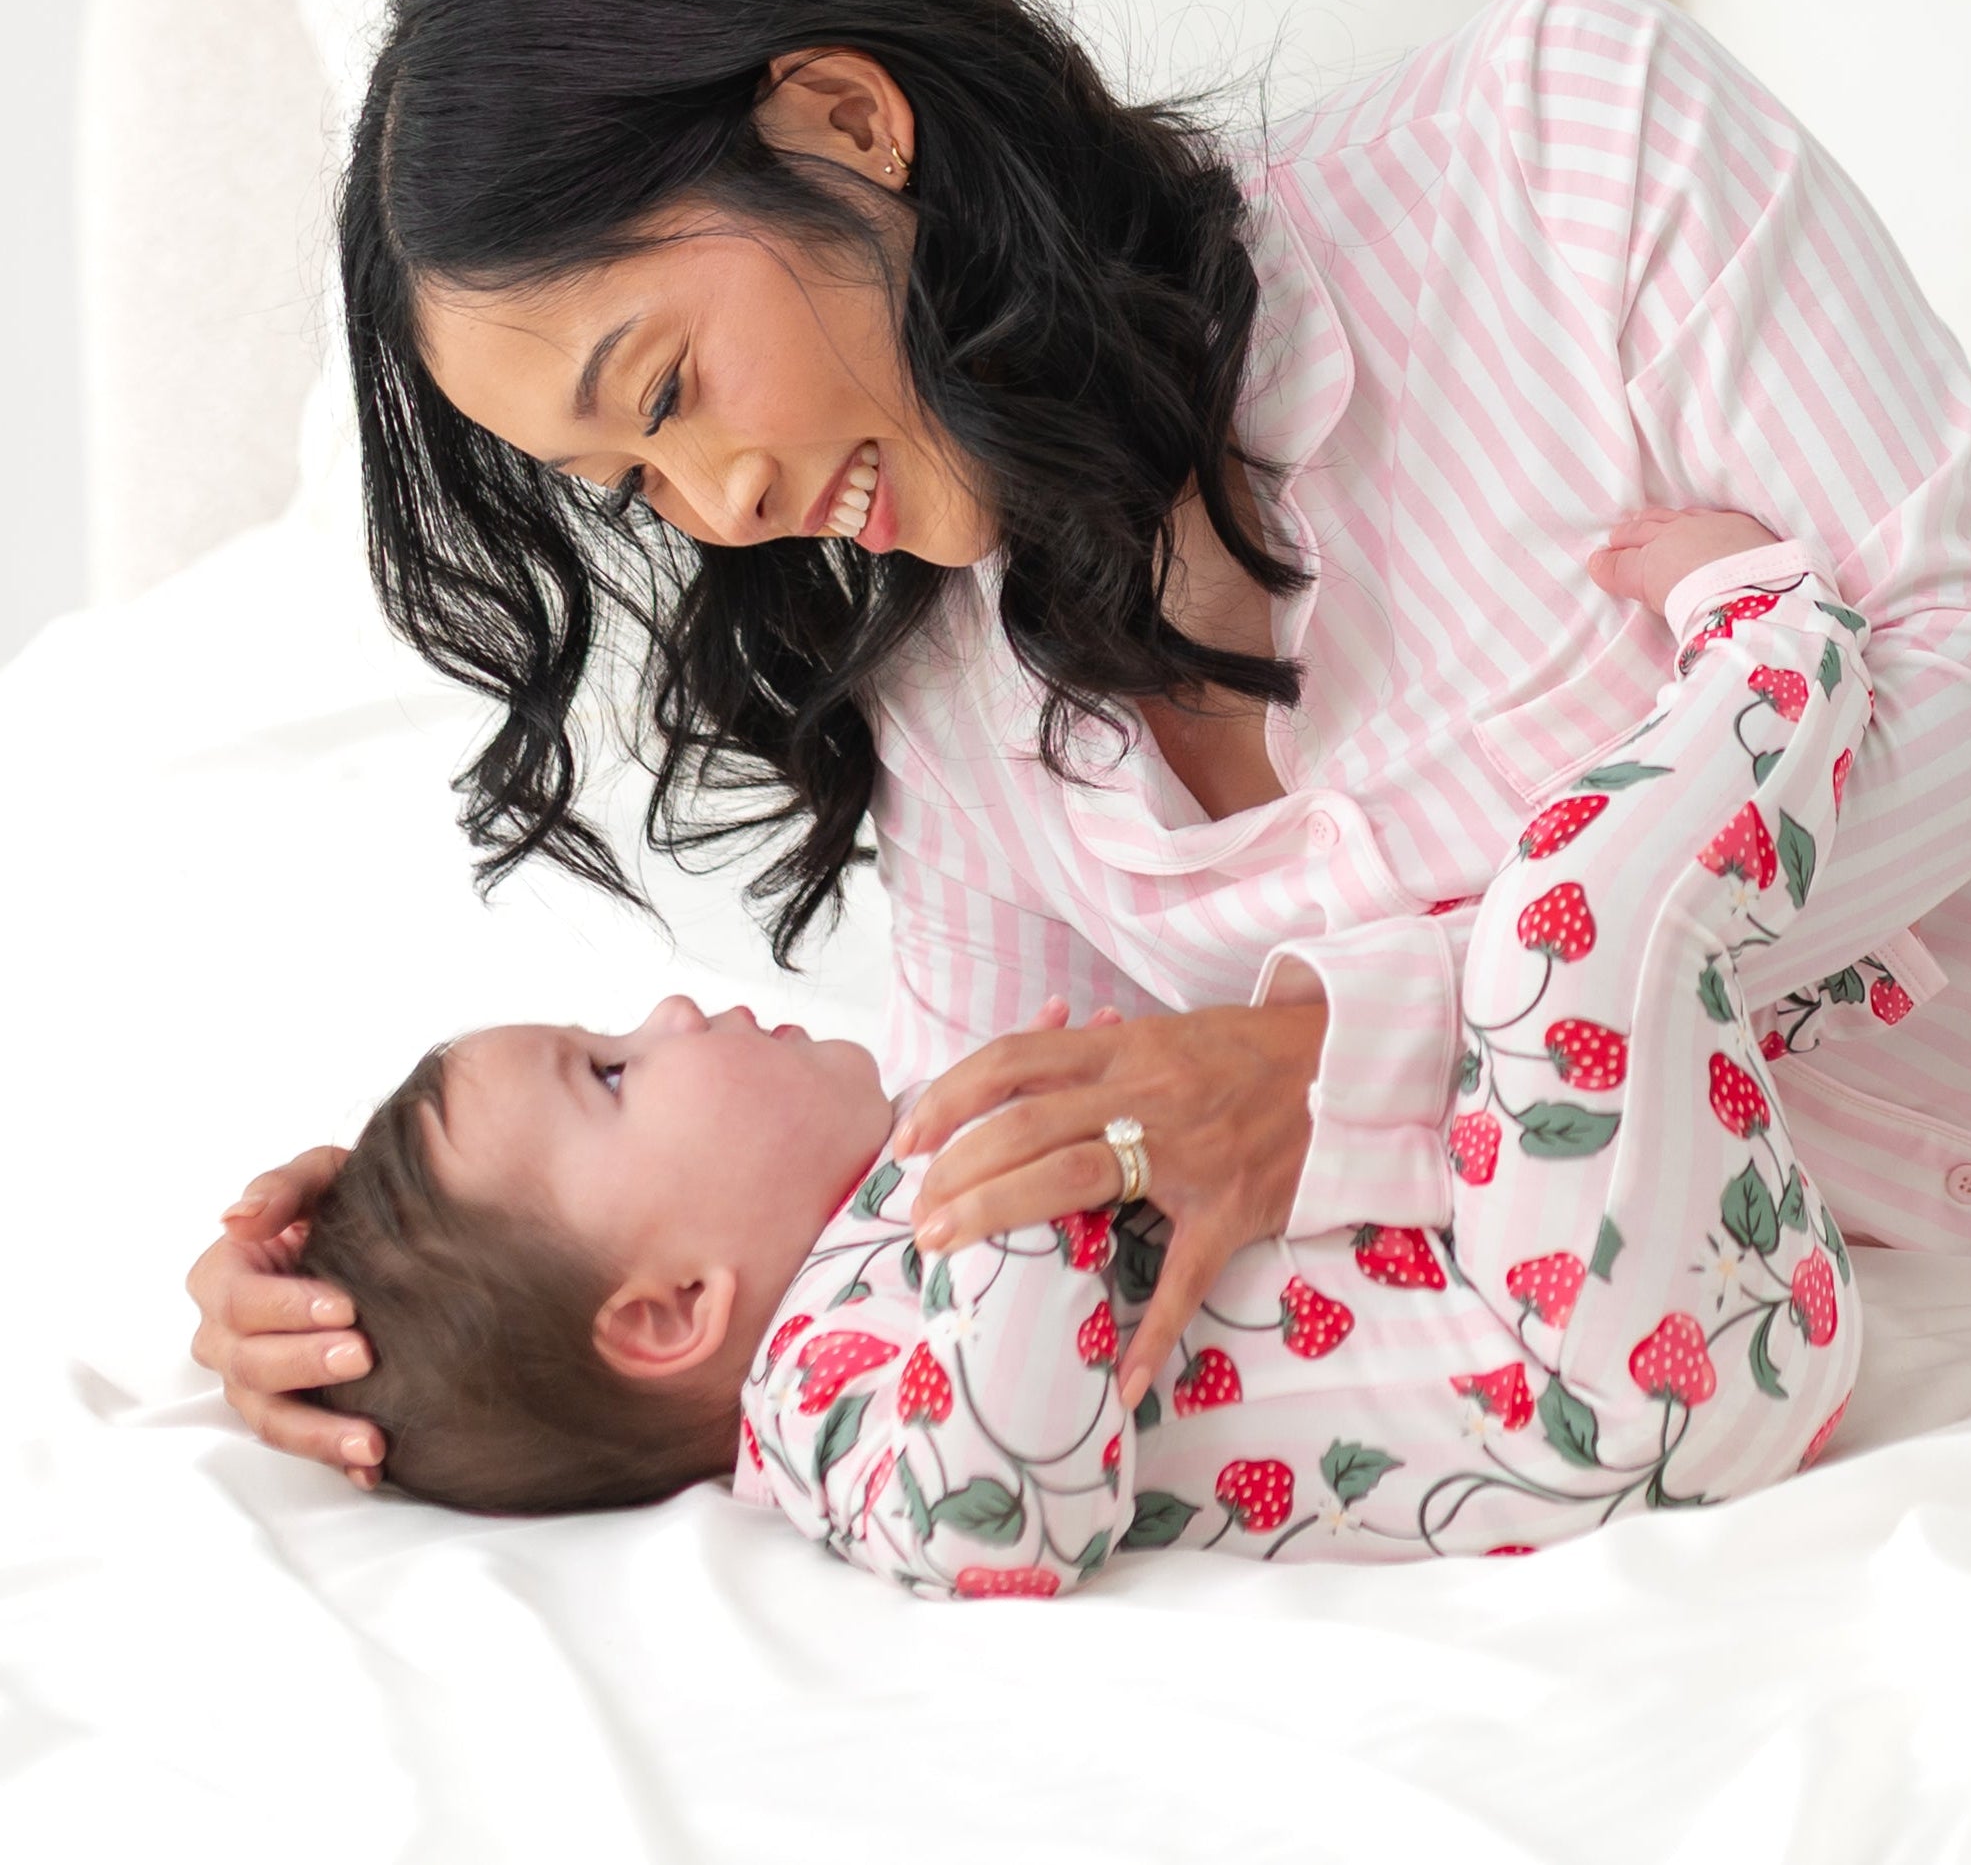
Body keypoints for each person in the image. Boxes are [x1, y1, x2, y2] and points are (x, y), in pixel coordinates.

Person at [188, 0, 1971, 1486]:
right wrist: (427, 1335)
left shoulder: (1558, 151)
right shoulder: (952, 715)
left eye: (668, 390)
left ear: (846, 126)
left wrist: (1343, 1056)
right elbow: (950, 1231)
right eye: (627, 485)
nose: (714, 513)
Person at [297, 519, 1871, 1587]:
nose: (673, 1011)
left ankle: (1800, 947)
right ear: (669, 1314)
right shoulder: (823, 1409)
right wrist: (1023, 1200)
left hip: (1598, 1315)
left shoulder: (881, 1242)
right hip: (1596, 1389)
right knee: (1561, 933)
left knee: (1543, 986)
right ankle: (1781, 648)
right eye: (612, 1074)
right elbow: (1002, 1511)